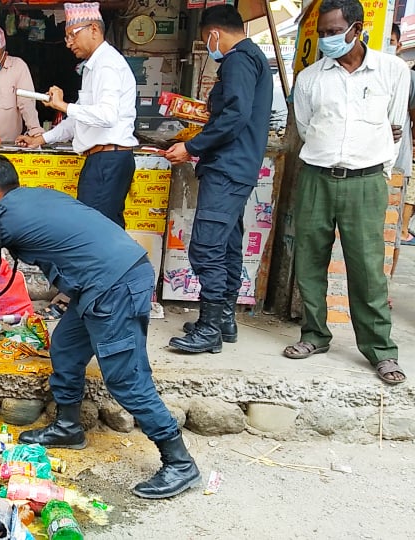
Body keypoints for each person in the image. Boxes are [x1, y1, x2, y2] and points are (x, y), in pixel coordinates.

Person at [0, 155, 200, 499]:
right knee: (65, 345)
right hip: (103, 281)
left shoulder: (3, 218)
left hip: (114, 284)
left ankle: (179, 461)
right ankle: (68, 427)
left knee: (125, 377)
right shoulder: (40, 196)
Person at [288, 0, 407, 384]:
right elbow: (307, 128)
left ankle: (380, 350)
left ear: (357, 28)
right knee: (309, 262)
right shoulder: (310, 79)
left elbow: (395, 123)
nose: (327, 39)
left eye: (334, 31)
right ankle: (314, 335)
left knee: (368, 269)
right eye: (322, 33)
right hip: (317, 177)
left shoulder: (392, 70)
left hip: (367, 181)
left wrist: (378, 169)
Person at [161, 5, 273, 354]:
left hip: (227, 168)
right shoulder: (253, 58)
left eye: (206, 39)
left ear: (214, 34)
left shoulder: (239, 60)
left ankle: (210, 328)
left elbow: (235, 116)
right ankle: (223, 319)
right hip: (236, 167)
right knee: (225, 246)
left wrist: (192, 146)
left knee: (206, 247)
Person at [16, 2, 138, 230]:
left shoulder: (107, 65)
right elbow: (78, 119)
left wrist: (63, 106)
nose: (69, 43)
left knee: (95, 232)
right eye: (66, 37)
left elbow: (107, 116)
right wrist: (41, 139)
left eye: (72, 35)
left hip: (108, 160)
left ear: (94, 29)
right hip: (101, 160)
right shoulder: (94, 66)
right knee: (102, 230)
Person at [389, 23, 415, 249]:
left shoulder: (408, 77)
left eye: (391, 41)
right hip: (367, 164)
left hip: (398, 162)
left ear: (399, 46)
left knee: (392, 233)